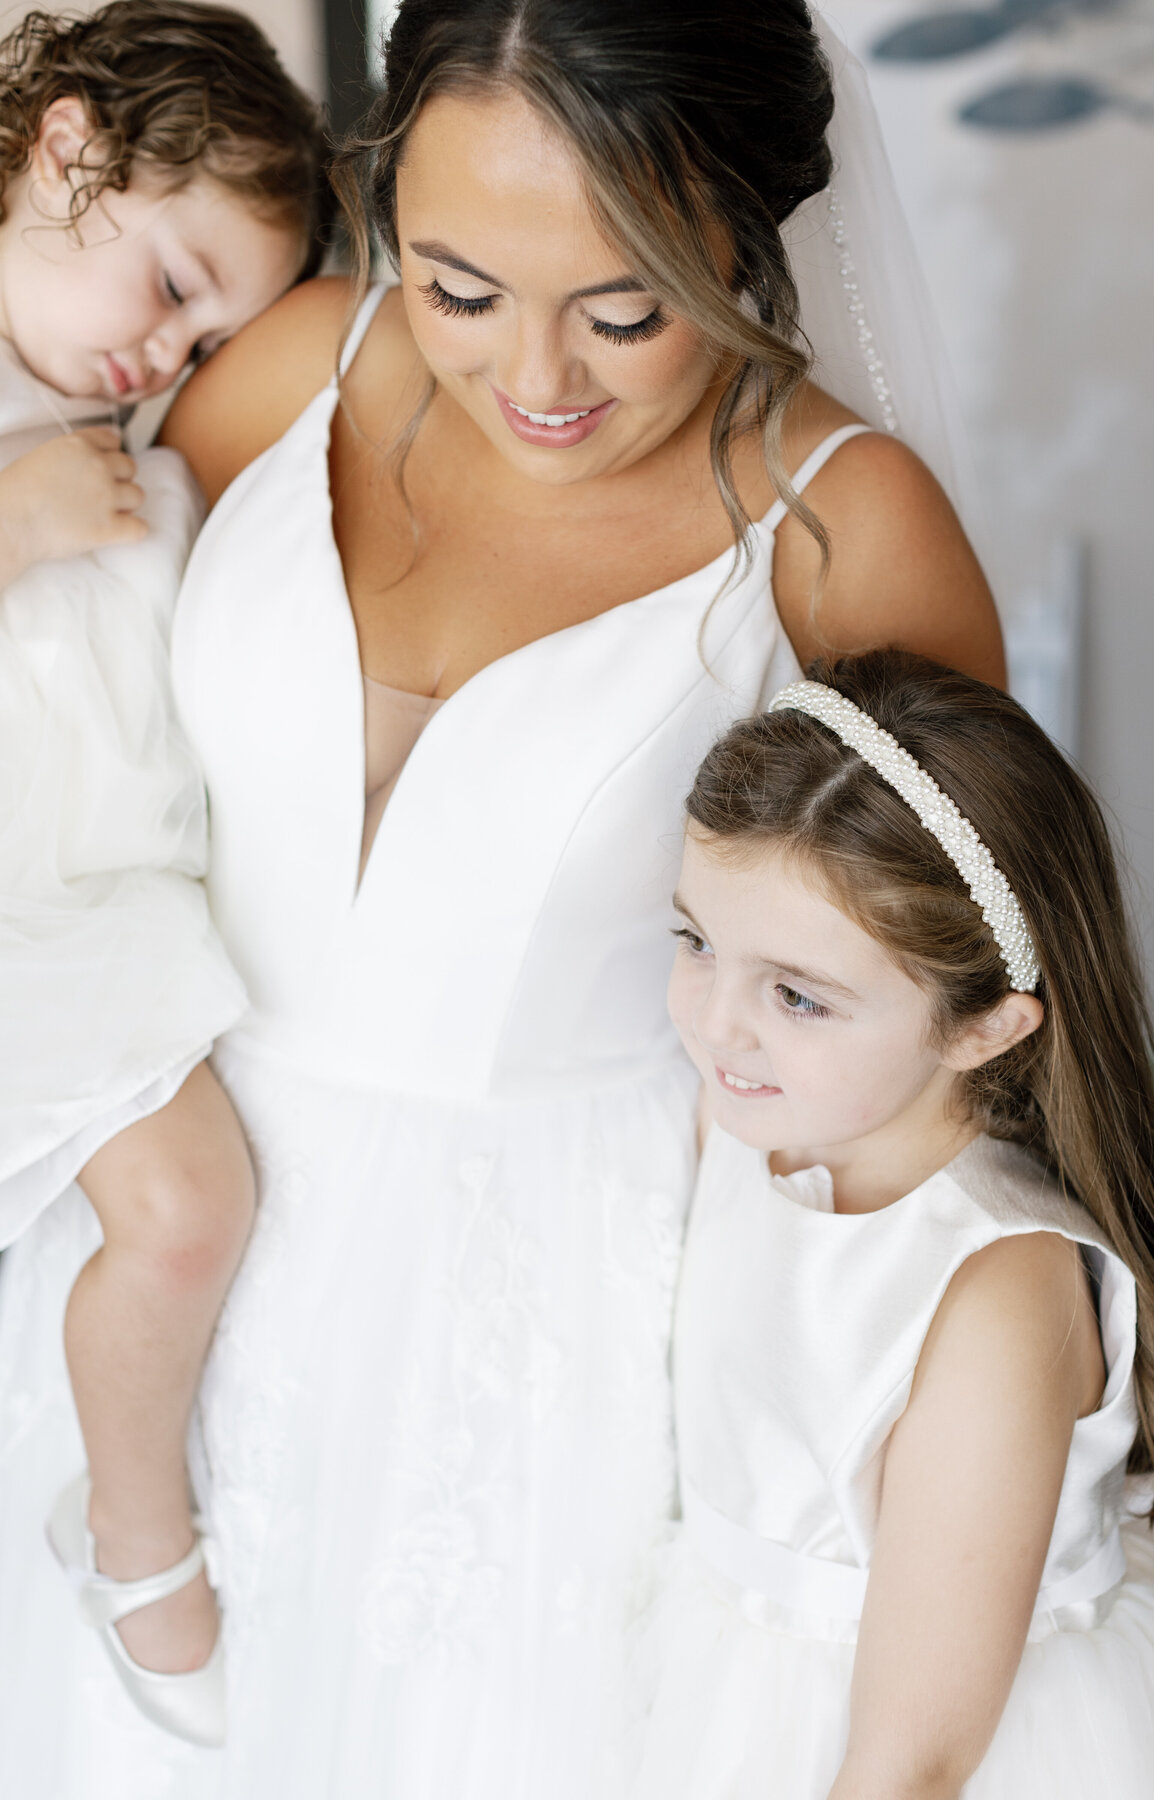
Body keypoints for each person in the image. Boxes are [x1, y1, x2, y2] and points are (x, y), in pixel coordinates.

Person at [1, 2, 1001, 1794]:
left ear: (750, 235)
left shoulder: (852, 529)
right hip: (143, 1273)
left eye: (626, 309)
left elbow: (938, 1051)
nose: (537, 373)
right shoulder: (289, 359)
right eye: (458, 288)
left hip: (552, 1363)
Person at [633, 648, 1154, 1799]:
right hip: (713, 1672)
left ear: (984, 1028)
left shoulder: (998, 1296)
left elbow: (914, 1760)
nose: (717, 1025)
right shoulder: (750, 1123)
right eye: (696, 943)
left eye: (797, 995)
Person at [0, 0, 328, 1750]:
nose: (177, 346)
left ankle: (121, 1505)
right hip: (26, 917)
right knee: (190, 1209)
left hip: (119, 900)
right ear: (67, 149)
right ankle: (140, 1546)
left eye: (218, 327)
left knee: (199, 1214)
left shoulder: (146, 435)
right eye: (175, 280)